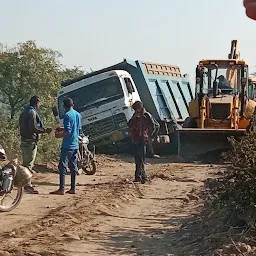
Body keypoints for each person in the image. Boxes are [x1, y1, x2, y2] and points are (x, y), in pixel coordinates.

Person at [19, 96, 52, 194]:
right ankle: (27, 186)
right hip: (30, 141)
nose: (39, 105)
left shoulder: (24, 111)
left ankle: (25, 184)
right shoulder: (32, 112)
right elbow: (33, 127)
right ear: (36, 103)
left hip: (24, 140)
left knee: (25, 164)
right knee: (28, 165)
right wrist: (44, 131)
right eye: (39, 103)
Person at [50, 97, 82, 195]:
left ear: (64, 107)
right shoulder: (77, 114)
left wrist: (59, 135)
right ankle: (73, 188)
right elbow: (76, 128)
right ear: (73, 105)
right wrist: (62, 128)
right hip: (75, 144)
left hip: (67, 145)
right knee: (73, 166)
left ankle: (61, 189)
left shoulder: (67, 116)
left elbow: (67, 132)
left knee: (62, 166)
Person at [128, 101, 157, 184]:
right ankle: (140, 177)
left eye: (136, 109)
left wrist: (151, 136)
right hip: (135, 139)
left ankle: (142, 177)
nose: (135, 111)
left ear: (139, 108)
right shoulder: (135, 116)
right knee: (137, 159)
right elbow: (129, 124)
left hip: (142, 139)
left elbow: (154, 125)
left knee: (141, 159)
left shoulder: (146, 115)